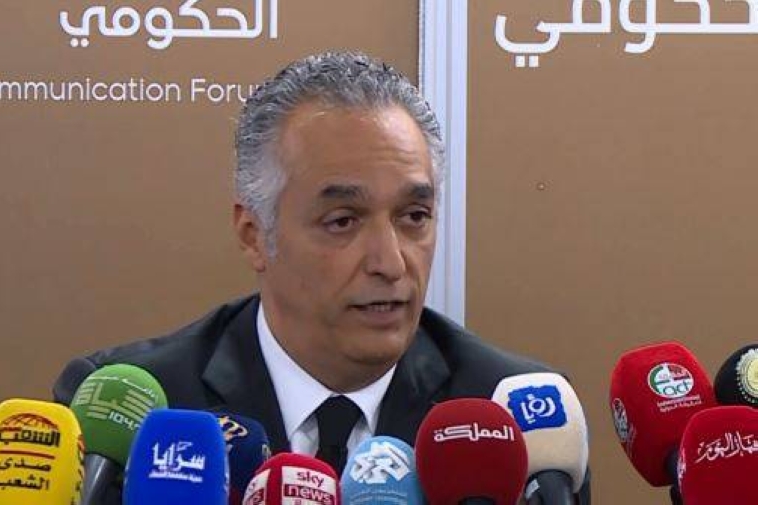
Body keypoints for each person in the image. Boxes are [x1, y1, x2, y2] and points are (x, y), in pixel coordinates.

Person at [54, 51, 590, 502]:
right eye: (343, 221)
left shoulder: (515, 423)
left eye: (414, 216)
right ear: (254, 235)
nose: (391, 262)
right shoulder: (134, 416)